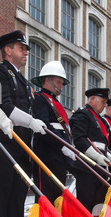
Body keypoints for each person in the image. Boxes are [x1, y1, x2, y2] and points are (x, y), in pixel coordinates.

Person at [0, 30, 45, 217]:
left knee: (18, 190)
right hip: (5, 139)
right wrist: (30, 121)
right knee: (2, 188)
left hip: (22, 142)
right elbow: (3, 105)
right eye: (21, 48)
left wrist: (32, 126)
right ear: (8, 50)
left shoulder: (24, 81)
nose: (26, 52)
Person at [31, 61, 75, 204]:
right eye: (59, 82)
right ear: (48, 79)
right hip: (47, 156)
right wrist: (62, 145)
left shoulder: (56, 102)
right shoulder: (39, 99)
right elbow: (45, 127)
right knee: (46, 201)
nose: (62, 86)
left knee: (58, 201)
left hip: (60, 157)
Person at [69, 87, 110, 213]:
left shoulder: (98, 119)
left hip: (100, 167)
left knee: (98, 208)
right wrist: (97, 157)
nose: (104, 106)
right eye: (102, 102)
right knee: (87, 206)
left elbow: (103, 146)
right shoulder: (82, 114)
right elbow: (80, 140)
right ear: (92, 99)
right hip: (87, 167)